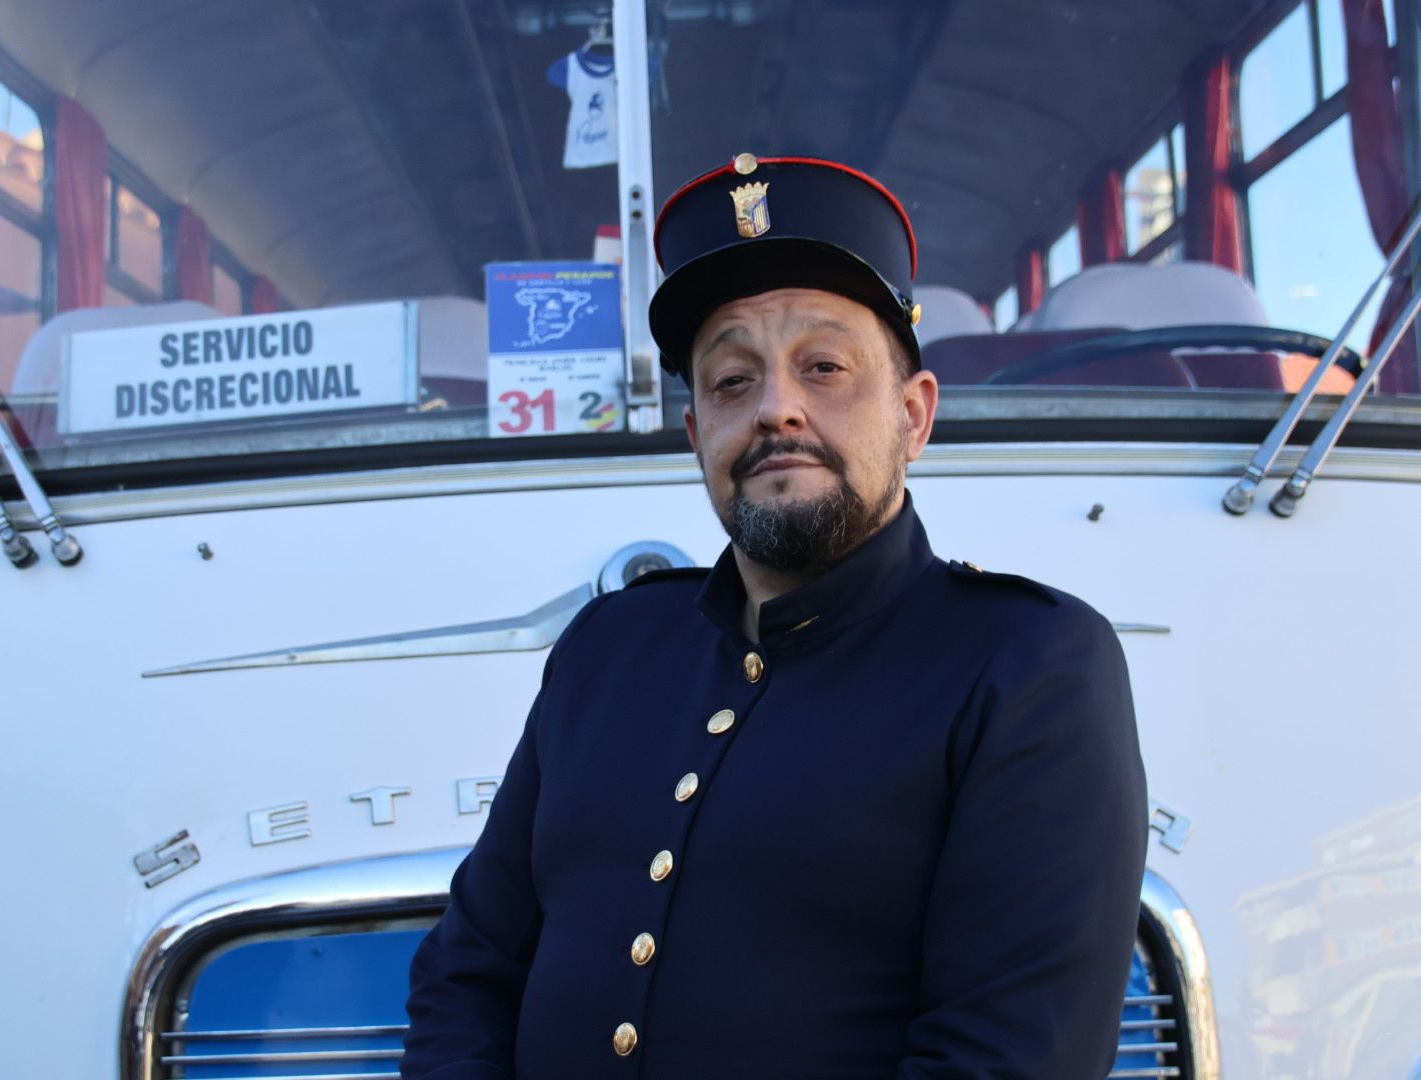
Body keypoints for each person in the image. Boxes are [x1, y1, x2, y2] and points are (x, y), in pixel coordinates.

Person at [401, 154, 1148, 1079]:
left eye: (824, 367)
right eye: (729, 382)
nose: (776, 409)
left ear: (915, 417)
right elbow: (465, 977)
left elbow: (1005, 1060)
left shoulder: (1026, 663)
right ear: (696, 438)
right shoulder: (607, 650)